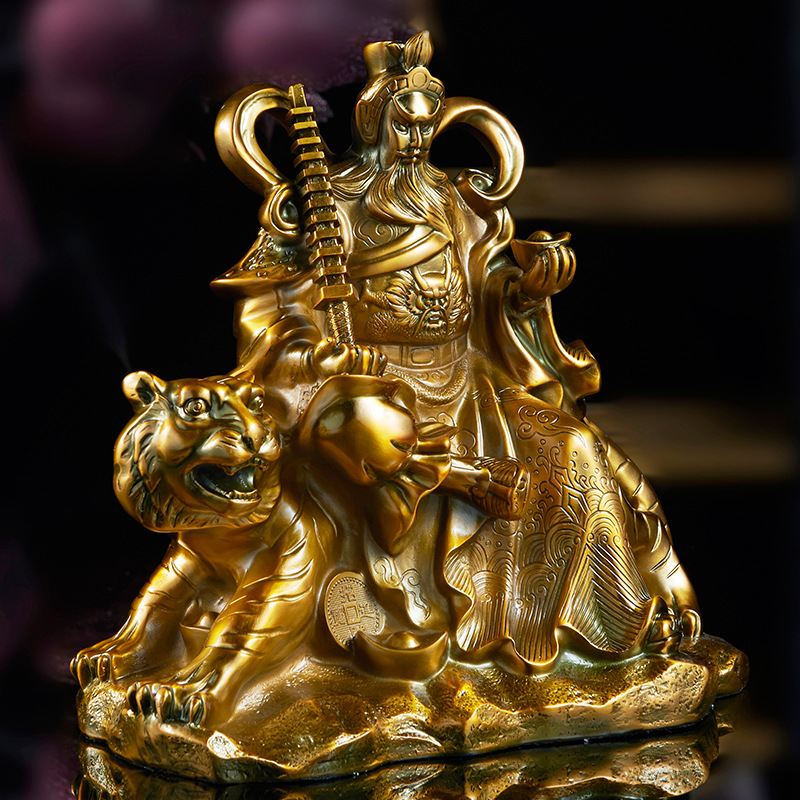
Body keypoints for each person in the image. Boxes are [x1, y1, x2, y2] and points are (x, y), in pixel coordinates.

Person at [213, 31, 700, 672]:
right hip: (380, 396)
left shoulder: (454, 200)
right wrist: (320, 360)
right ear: (373, 125)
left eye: (425, 128)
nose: (415, 142)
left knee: (574, 450)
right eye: (403, 127)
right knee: (377, 459)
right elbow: (271, 316)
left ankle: (606, 626)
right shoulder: (326, 208)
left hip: (471, 384)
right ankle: (430, 631)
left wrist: (528, 289)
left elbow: (488, 290)